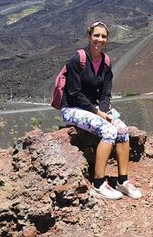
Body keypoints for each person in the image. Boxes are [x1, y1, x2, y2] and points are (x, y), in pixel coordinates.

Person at [60, 21, 142, 200]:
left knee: (122, 129)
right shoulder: (77, 59)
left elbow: (105, 94)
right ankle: (98, 184)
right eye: (96, 35)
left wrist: (104, 112)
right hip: (72, 108)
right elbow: (73, 93)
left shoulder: (105, 62)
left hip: (94, 108)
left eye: (103, 36)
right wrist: (98, 113)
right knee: (108, 130)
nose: (100, 39)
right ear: (89, 36)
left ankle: (122, 181)